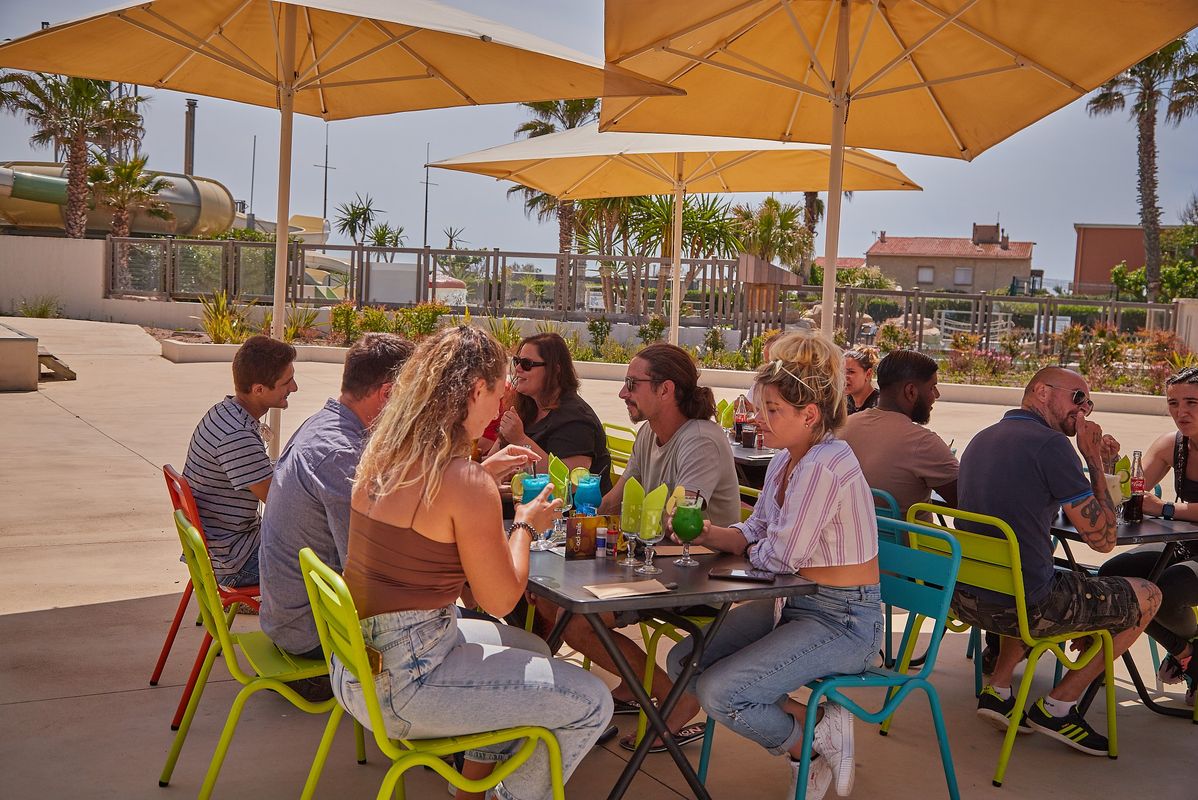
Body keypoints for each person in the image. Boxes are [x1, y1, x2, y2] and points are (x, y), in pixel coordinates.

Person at [334, 326, 612, 800]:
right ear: (475, 390)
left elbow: (427, 509)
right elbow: (501, 598)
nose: (508, 390)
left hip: (359, 667)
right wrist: (525, 524)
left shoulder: (386, 453)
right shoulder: (462, 481)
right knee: (592, 702)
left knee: (533, 649)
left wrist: (482, 475)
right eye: (502, 380)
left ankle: (472, 791)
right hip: (410, 681)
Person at [661, 329, 882, 800]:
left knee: (722, 692)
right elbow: (758, 529)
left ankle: (806, 744)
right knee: (686, 661)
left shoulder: (824, 463)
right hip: (795, 603)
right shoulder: (787, 459)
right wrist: (708, 534)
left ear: (810, 414)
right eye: (760, 408)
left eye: (772, 411)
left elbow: (782, 555)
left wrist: (746, 549)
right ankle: (816, 724)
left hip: (843, 619)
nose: (758, 420)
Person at [535, 343, 739, 751]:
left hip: (696, 574)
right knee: (543, 593)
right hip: (649, 563)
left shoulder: (699, 439)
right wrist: (567, 523)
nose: (623, 393)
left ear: (666, 389)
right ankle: (632, 686)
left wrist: (602, 541)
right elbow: (616, 498)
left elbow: (680, 521)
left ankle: (671, 694)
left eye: (632, 383)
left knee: (573, 616)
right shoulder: (650, 432)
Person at [955, 367, 1160, 756]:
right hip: (1026, 606)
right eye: (1078, 398)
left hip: (971, 598)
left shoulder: (983, 438)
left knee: (1038, 572)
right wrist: (1095, 462)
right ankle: (1059, 706)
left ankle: (998, 689)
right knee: (1148, 594)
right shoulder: (1051, 446)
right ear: (1041, 392)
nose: (1084, 410)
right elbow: (1104, 541)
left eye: (1090, 402)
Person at [259, 333, 414, 662]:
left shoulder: (323, 425)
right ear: (387, 394)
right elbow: (370, 574)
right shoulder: (343, 456)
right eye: (412, 399)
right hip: (313, 635)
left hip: (290, 618)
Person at [1098, 366, 1198, 704]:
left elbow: (1155, 506)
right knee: (1113, 578)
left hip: (1183, 552)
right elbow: (1131, 493)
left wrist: (1166, 509)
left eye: (1192, 403)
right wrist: (1109, 466)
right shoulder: (1173, 445)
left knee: (1166, 591)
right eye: (1173, 403)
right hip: (1182, 548)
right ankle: (1188, 652)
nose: (1180, 412)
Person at [182, 335, 297, 587]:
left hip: (220, 549)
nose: (294, 388)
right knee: (328, 565)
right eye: (287, 382)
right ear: (259, 390)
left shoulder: (224, 412)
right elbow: (281, 503)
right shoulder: (237, 437)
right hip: (235, 561)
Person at [840, 349, 958, 519]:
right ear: (911, 391)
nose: (936, 395)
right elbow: (968, 501)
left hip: (858, 540)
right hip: (909, 545)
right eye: (932, 388)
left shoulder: (844, 427)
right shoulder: (923, 443)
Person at [491, 332, 613, 493]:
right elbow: (492, 460)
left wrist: (520, 439)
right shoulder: (526, 408)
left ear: (555, 371)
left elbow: (571, 482)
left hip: (566, 514)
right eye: (517, 361)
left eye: (527, 364)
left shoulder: (576, 420)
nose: (518, 369)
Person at [843, 346, 879, 414]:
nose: (844, 377)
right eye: (841, 372)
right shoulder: (841, 404)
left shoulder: (880, 406)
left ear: (868, 374)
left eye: (851, 372)